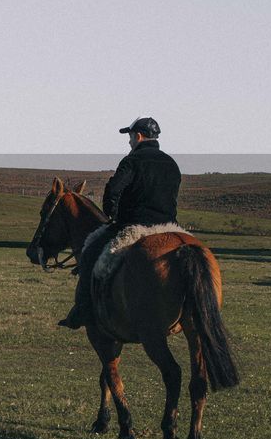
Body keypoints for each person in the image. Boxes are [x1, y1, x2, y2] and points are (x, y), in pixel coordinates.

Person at [59, 117, 182, 329]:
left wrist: (113, 215)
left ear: (139, 136)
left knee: (90, 251)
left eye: (130, 137)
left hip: (136, 226)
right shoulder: (172, 164)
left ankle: (82, 309)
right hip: (171, 227)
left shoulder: (131, 161)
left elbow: (113, 190)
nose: (129, 142)